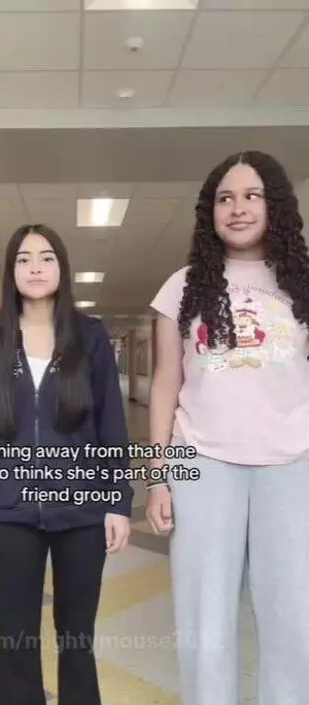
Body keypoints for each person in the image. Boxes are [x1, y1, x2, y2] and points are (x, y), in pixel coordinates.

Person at [146, 151, 309, 705]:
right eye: (225, 198)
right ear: (209, 211)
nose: (237, 208)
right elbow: (166, 384)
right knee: (204, 618)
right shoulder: (183, 286)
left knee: (294, 619)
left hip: (292, 465)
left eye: (251, 196)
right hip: (203, 463)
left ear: (274, 205)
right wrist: (159, 476)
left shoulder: (301, 284)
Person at [0, 224, 133, 705]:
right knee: (16, 639)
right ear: (10, 271)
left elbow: (112, 426)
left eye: (46, 257)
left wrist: (118, 501)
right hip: (9, 513)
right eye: (24, 259)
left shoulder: (89, 337)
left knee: (77, 638)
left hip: (82, 511)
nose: (35, 268)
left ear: (62, 268)